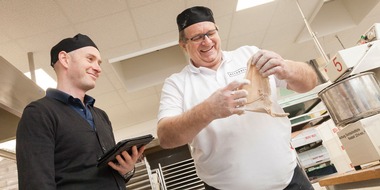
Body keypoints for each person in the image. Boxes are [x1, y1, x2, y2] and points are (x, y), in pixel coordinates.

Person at [157, 6, 318, 190]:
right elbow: (165, 137)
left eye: (210, 33)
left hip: (290, 181)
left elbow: (310, 82)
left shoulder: (249, 55)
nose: (207, 41)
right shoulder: (177, 84)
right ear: (183, 44)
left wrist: (286, 68)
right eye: (197, 37)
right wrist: (209, 110)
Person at [16, 33, 145, 190]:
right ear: (64, 59)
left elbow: (105, 177)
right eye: (90, 59)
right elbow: (36, 184)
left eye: (99, 63)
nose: (98, 68)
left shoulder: (101, 115)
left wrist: (127, 170)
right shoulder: (39, 113)